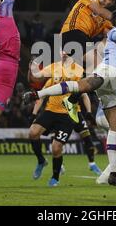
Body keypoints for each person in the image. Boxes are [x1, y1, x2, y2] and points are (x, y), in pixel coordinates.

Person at [24, 8, 116, 190]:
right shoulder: (115, 32)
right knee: (84, 85)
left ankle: (115, 175)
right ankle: (38, 95)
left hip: (114, 84)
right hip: (107, 71)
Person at [28, 53, 100, 186]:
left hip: (68, 114)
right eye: (62, 51)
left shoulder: (78, 70)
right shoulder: (53, 68)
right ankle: (41, 161)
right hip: (50, 111)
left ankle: (55, 177)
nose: (64, 54)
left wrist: (89, 112)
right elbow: (39, 88)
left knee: (56, 148)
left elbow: (83, 92)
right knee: (33, 133)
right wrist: (32, 67)